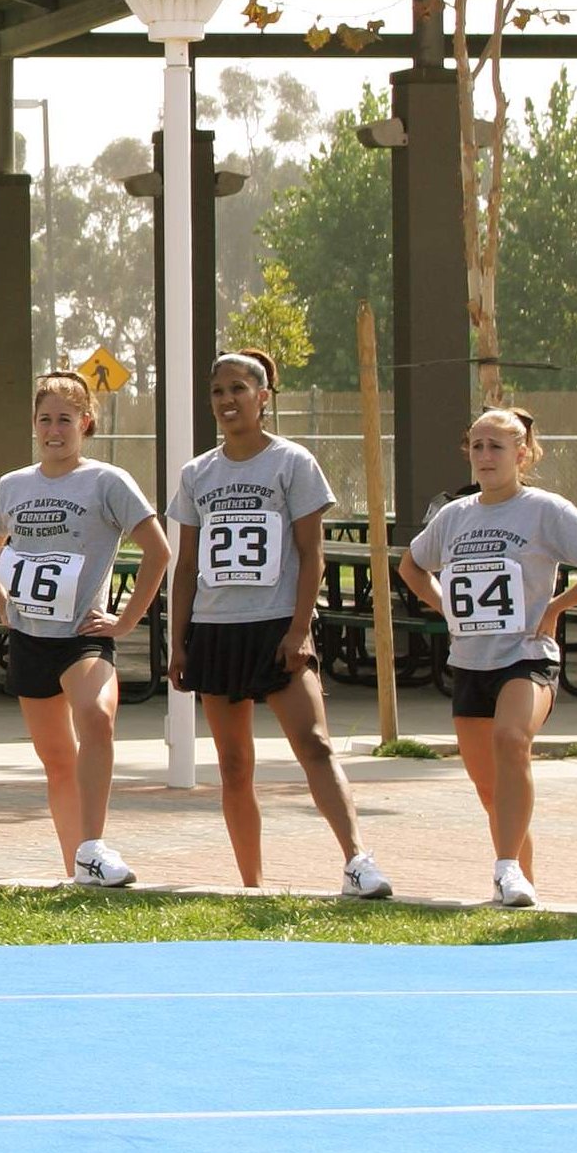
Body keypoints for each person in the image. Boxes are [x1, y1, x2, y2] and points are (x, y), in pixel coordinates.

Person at [167, 352, 391, 899]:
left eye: (239, 389)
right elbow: (188, 563)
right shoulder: (198, 473)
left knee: (314, 743)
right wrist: (178, 641)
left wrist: (298, 629)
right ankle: (252, 882)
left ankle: (357, 861)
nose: (227, 401)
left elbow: (311, 554)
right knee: (234, 762)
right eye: (218, 391)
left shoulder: (293, 463)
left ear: (264, 397)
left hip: (276, 627)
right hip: (216, 630)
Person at [397, 407, 577, 909]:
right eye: (476, 446)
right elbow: (412, 566)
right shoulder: (455, 516)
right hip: (471, 661)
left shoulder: (545, 510)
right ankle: (519, 879)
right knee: (489, 790)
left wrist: (557, 607)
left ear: (522, 454)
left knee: (511, 740)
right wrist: (445, 606)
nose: (484, 456)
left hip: (527, 655)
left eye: (496, 447)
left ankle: (504, 868)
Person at [0, 370, 176, 889]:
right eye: (45, 419)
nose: (54, 429)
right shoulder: (13, 485)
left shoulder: (107, 481)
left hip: (84, 636)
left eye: (65, 419)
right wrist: (1, 604)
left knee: (96, 718)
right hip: (30, 638)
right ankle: (78, 868)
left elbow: (158, 551)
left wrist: (127, 620)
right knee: (57, 761)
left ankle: (93, 845)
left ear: (86, 423)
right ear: (35, 426)